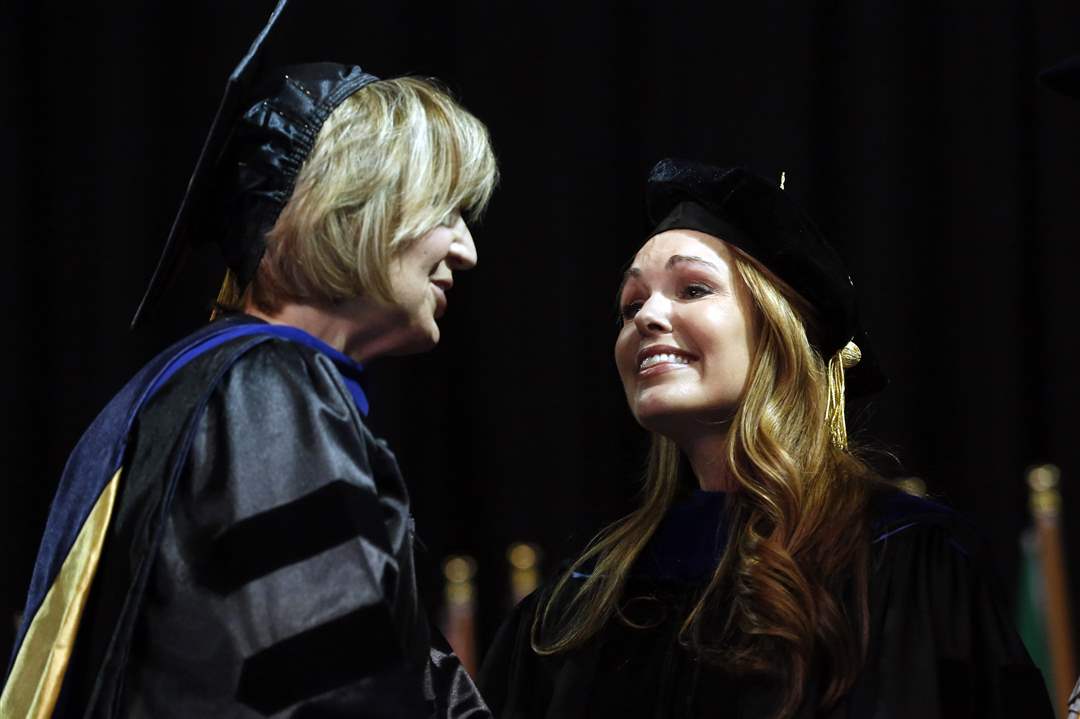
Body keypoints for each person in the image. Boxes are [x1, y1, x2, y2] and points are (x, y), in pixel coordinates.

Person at [1, 5, 498, 717]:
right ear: (351, 204)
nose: (466, 250)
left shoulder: (190, 386)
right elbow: (329, 693)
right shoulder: (268, 392)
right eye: (444, 212)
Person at [479, 159, 1053, 718]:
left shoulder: (897, 559)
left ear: (780, 331)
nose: (646, 317)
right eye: (630, 305)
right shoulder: (581, 601)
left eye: (692, 289)